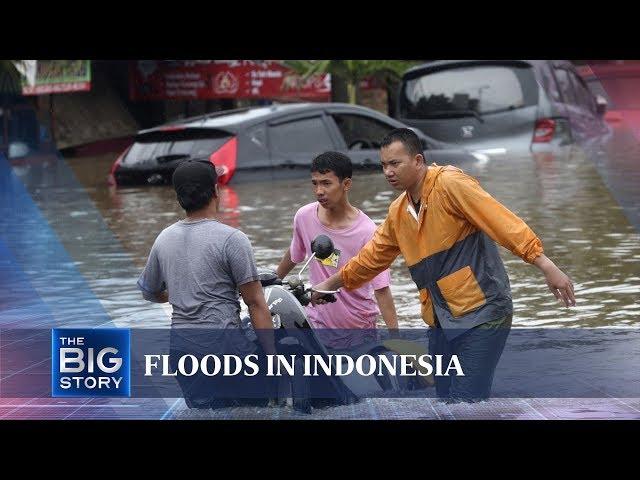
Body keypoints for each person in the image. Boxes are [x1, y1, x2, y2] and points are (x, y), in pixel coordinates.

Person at [311, 128, 576, 401]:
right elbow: (371, 259)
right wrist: (330, 285)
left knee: (466, 401)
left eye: (395, 163)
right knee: (446, 400)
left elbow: (502, 222)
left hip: (483, 313)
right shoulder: (399, 211)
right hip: (441, 320)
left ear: (418, 161)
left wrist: (544, 263)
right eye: (383, 165)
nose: (388, 171)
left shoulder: (450, 184)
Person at [137, 159, 274, 406]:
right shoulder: (232, 239)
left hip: (181, 354)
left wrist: (178, 292)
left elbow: (149, 292)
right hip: (226, 351)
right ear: (215, 191)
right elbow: (255, 303)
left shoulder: (163, 239)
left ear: (179, 198)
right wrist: (273, 360)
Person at [276, 151, 398, 349]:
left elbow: (382, 290)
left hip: (359, 330)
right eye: (315, 183)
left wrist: (397, 339)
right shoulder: (304, 216)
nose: (319, 191)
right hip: (317, 325)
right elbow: (295, 253)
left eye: (326, 183)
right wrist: (269, 283)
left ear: (346, 184)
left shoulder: (368, 231)